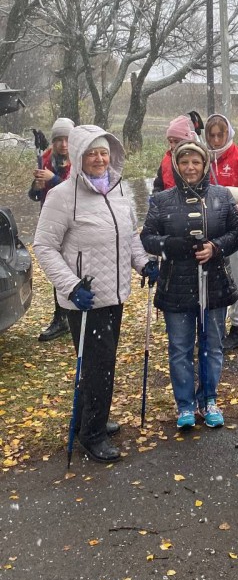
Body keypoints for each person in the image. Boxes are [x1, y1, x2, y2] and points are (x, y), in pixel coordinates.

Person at [33, 125, 157, 463]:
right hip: (84, 299)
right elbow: (44, 247)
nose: (99, 158)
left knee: (97, 364)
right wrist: (71, 286)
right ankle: (92, 434)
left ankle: (88, 419)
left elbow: (129, 235)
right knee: (98, 365)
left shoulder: (114, 190)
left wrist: (143, 264)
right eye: (91, 153)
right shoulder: (62, 196)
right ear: (77, 157)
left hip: (113, 294)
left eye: (103, 152)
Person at [141, 138, 238, 430]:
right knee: (180, 347)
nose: (190, 167)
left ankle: (208, 400)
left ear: (205, 164)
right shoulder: (161, 200)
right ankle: (184, 405)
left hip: (215, 283)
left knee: (212, 345)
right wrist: (171, 245)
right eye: (184, 162)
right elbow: (147, 237)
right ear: (176, 165)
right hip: (176, 285)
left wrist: (216, 247)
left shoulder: (222, 196)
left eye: (195, 161)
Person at [205, 113, 238, 351]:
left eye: (221, 135)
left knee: (237, 279)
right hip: (210, 227)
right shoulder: (201, 157)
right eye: (212, 135)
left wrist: (221, 191)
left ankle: (237, 327)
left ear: (229, 133)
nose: (216, 140)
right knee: (214, 278)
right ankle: (214, 325)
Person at [28, 117, 75, 342]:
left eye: (67, 139)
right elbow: (34, 195)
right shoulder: (45, 160)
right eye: (58, 140)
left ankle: (76, 313)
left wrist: (53, 179)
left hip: (76, 222)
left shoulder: (81, 158)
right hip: (52, 222)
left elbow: (78, 189)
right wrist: (37, 187)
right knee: (57, 270)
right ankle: (61, 317)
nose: (63, 144)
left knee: (75, 267)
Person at [152, 114, 198, 194]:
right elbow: (159, 182)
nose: (173, 145)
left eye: (176, 141)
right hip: (168, 202)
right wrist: (156, 193)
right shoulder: (166, 158)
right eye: (170, 141)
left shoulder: (195, 157)